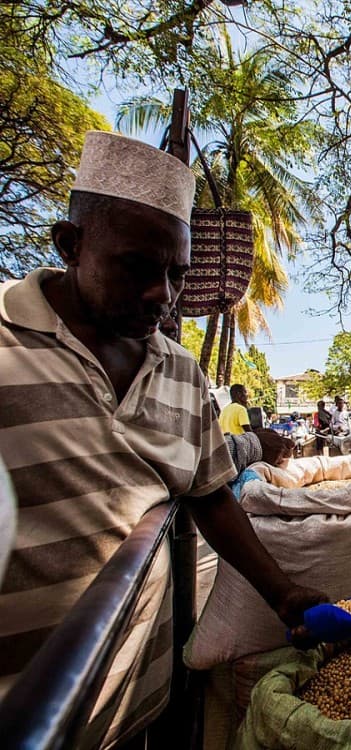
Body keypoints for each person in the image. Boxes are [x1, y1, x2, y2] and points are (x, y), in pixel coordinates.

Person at [0, 131, 324, 746]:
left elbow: (210, 495)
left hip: (135, 708)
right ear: (70, 244)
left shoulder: (180, 370)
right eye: (137, 268)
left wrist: (282, 594)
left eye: (176, 274)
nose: (163, 295)